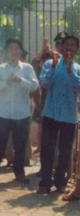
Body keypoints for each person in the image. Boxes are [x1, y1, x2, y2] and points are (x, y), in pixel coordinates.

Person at [0, 38, 39, 184]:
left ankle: (19, 173)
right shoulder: (0, 69)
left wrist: (21, 80)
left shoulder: (27, 68)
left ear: (21, 51)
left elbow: (35, 86)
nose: (14, 52)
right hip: (2, 113)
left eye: (16, 49)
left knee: (20, 146)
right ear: (6, 52)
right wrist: (6, 82)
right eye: (10, 49)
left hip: (22, 114)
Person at [37, 34, 80, 194]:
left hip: (69, 116)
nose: (69, 48)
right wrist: (54, 69)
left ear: (77, 49)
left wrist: (70, 72)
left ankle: (60, 181)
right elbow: (44, 83)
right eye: (66, 44)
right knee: (47, 149)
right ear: (61, 47)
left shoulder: (78, 68)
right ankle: (45, 182)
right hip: (51, 113)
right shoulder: (50, 64)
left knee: (65, 151)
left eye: (73, 45)